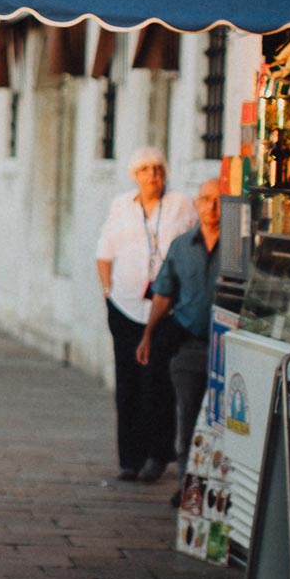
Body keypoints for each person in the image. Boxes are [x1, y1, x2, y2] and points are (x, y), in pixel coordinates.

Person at [95, 146, 197, 484]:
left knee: (159, 382)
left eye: (156, 169)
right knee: (128, 383)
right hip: (125, 306)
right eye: (144, 170)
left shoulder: (180, 204)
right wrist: (108, 293)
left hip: (165, 309)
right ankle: (130, 458)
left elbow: (194, 244)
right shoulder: (122, 206)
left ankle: (157, 454)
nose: (152, 175)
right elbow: (104, 253)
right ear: (134, 176)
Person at [139, 177, 223, 489]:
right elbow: (163, 295)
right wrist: (148, 335)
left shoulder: (238, 249)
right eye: (205, 199)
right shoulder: (181, 246)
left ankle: (214, 484)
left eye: (218, 200)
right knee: (187, 415)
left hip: (227, 347)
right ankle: (187, 486)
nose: (211, 207)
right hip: (189, 342)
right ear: (196, 204)